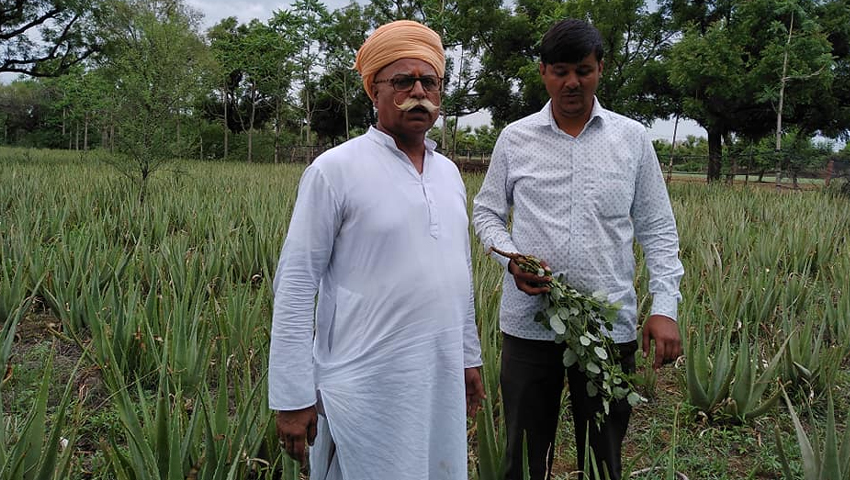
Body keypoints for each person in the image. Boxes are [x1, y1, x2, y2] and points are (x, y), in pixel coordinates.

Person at [268, 20, 485, 480]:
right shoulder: (335, 171)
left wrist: (468, 356)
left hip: (437, 376)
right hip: (364, 386)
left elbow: (459, 274)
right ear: (374, 90)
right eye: (403, 81)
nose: (419, 92)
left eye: (430, 81)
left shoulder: (449, 175)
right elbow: (295, 284)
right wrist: (292, 395)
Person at [472, 19, 684, 480]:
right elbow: (486, 214)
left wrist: (664, 306)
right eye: (561, 70)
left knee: (603, 458)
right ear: (544, 71)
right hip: (529, 327)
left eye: (583, 70)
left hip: (608, 327)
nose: (572, 82)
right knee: (523, 458)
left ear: (600, 69)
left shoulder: (632, 139)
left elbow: (658, 228)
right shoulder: (515, 137)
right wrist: (511, 258)